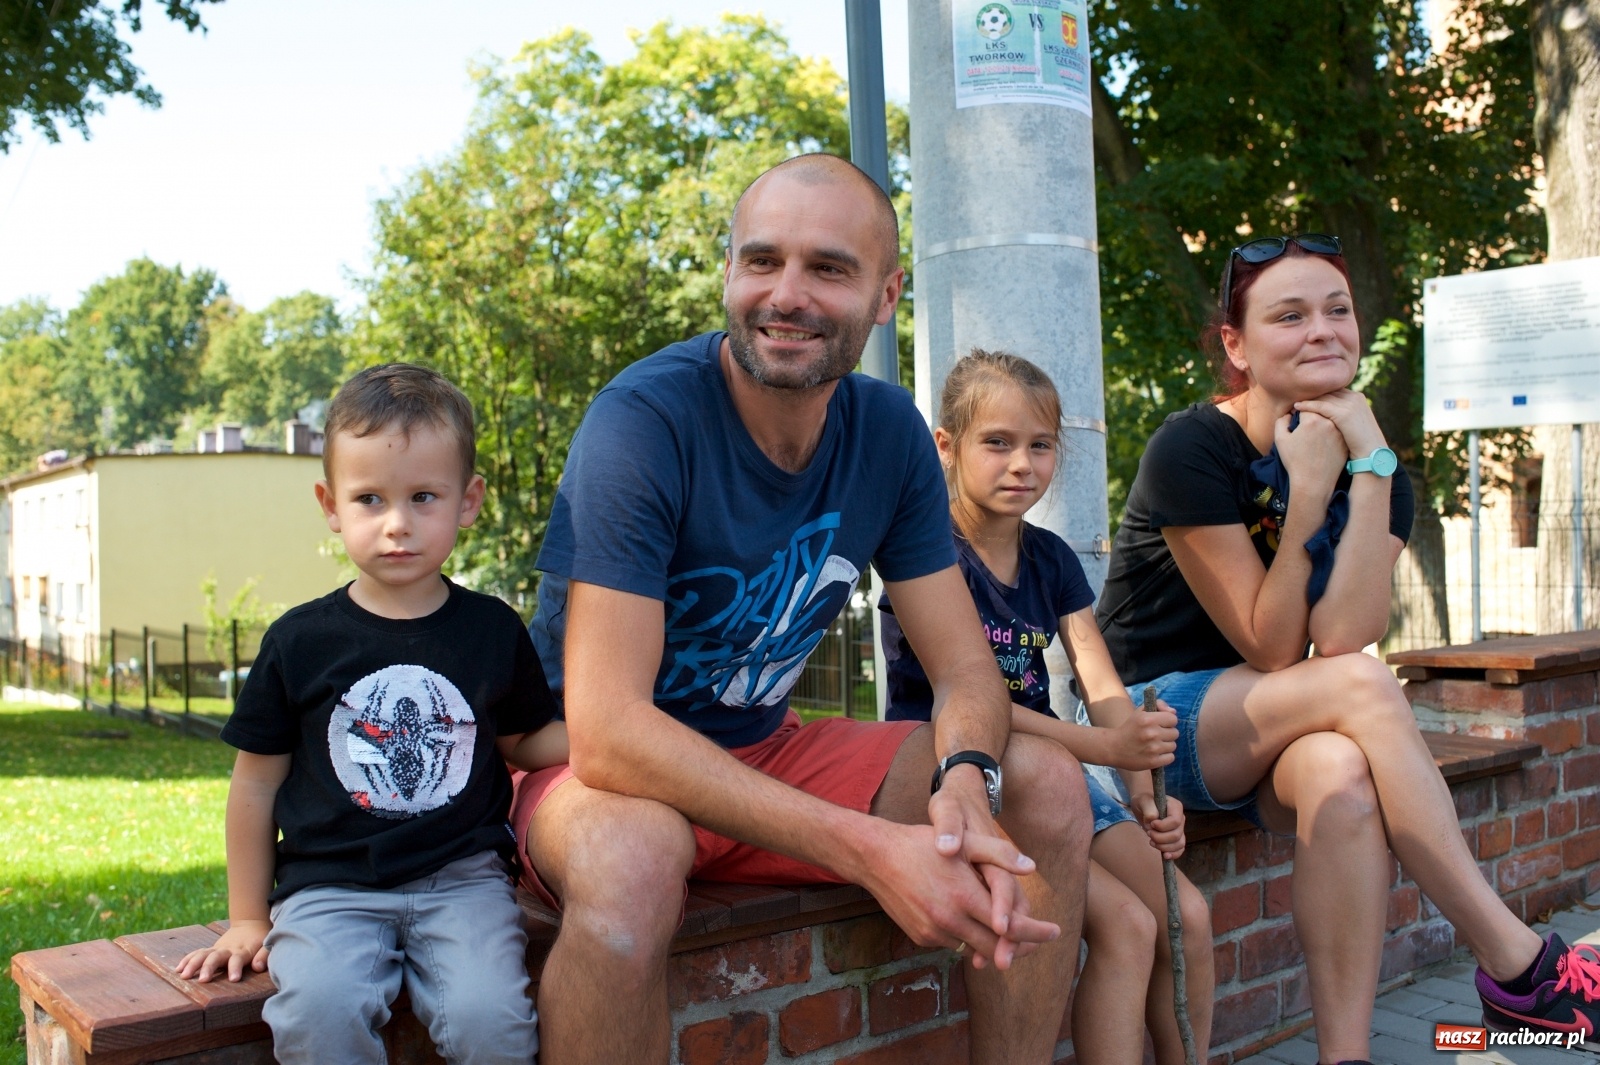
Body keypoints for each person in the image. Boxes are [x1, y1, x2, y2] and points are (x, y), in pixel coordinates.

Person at [512, 153, 1092, 1065]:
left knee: (1046, 784)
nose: (786, 294)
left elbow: (966, 669)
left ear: (887, 292)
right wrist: (866, 847)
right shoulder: (643, 421)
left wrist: (967, 779)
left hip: (766, 748)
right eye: (761, 261)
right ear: (730, 272)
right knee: (631, 870)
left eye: (828, 267)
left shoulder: (888, 430)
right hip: (598, 777)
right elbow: (607, 731)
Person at [1095, 233, 1597, 1064]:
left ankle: (1346, 1056)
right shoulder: (1193, 448)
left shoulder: (1382, 470)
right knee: (1360, 685)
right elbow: (1272, 639)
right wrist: (1311, 492)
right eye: (1288, 316)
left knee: (1342, 777)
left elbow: (1340, 632)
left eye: (1338, 309)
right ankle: (1516, 962)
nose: (1322, 330)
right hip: (1151, 719)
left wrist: (1366, 468)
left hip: (1283, 713)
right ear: (1236, 345)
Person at [177, 364, 569, 1065]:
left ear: (468, 499)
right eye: (369, 499)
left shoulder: (490, 629)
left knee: (494, 1023)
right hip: (329, 889)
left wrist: (613, 737)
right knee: (316, 1016)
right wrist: (246, 917)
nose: (398, 524)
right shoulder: (300, 642)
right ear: (331, 504)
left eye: (424, 496)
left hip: (464, 882)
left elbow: (521, 737)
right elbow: (255, 784)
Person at [880, 349, 1214, 1065]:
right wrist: (1101, 748)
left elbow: (1102, 688)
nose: (1021, 463)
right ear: (948, 445)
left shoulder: (1052, 557)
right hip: (965, 779)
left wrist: (1147, 787)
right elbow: (968, 698)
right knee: (1126, 926)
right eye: (997, 442)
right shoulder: (928, 555)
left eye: (1040, 445)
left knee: (1188, 914)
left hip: (1059, 772)